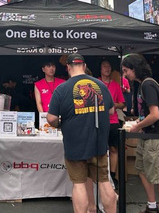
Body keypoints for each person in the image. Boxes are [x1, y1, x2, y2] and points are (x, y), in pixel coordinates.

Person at [47, 54, 116, 213]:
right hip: (98, 143)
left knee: (79, 184)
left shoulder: (62, 89)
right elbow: (111, 110)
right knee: (104, 182)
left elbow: (51, 118)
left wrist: (60, 123)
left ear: (68, 68)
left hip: (75, 144)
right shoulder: (100, 85)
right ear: (84, 66)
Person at [121, 53, 159, 213]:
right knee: (141, 169)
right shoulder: (142, 85)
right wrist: (140, 123)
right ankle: (152, 206)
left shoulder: (148, 85)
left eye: (126, 70)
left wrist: (137, 126)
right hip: (147, 135)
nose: (125, 74)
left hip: (156, 137)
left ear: (134, 69)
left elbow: (155, 115)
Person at [99, 59, 126, 189]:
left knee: (114, 148)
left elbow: (123, 103)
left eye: (109, 66)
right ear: (100, 69)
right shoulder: (95, 83)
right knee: (100, 149)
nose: (107, 69)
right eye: (104, 66)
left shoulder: (116, 85)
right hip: (98, 121)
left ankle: (113, 175)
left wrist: (114, 105)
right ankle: (102, 175)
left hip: (113, 121)